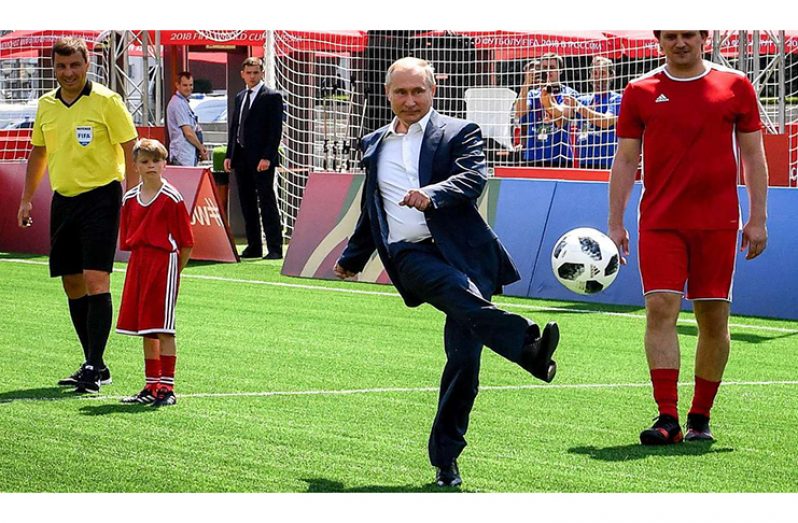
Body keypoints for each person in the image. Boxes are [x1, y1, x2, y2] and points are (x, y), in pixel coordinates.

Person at [333, 57, 561, 487]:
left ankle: (446, 460)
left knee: (463, 363)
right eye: (401, 92)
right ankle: (525, 343)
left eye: (418, 91)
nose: (410, 100)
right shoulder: (373, 143)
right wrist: (353, 257)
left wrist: (431, 194)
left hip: (466, 253)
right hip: (408, 254)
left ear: (432, 91)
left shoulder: (459, 132)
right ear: (388, 95)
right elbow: (372, 209)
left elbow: (472, 178)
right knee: (453, 288)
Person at [608, 30, 769, 445]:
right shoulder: (639, 90)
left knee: (713, 319)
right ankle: (667, 417)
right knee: (660, 308)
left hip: (717, 224)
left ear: (703, 38)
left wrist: (758, 218)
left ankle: (700, 416)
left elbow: (753, 154)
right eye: (671, 36)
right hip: (660, 222)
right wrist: (616, 222)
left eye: (688, 35)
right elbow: (626, 158)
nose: (680, 43)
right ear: (660, 40)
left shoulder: (735, 85)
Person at [17, 37, 138, 394]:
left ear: (87, 65)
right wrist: (26, 199)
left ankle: (92, 364)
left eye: (74, 65)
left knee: (96, 279)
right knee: (71, 283)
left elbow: (131, 147)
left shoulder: (107, 101)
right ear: (53, 69)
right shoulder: (46, 105)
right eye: (61, 66)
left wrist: (131, 197)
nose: (68, 73)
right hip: (64, 200)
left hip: (102, 196)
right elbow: (38, 153)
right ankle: (95, 364)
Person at [116, 139, 194, 407]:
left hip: (164, 263)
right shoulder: (129, 199)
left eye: (156, 161)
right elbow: (127, 237)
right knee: (146, 328)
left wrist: (173, 270)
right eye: (145, 162)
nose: (151, 166)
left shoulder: (172, 198)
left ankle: (168, 388)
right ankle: (151, 384)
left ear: (164, 163)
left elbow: (186, 242)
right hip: (139, 264)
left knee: (164, 328)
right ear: (135, 166)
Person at [224, 57, 284, 259]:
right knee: (246, 202)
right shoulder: (240, 96)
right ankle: (254, 245)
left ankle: (275, 247)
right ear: (242, 74)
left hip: (261, 160)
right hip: (241, 157)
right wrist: (229, 154)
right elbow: (235, 127)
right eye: (248, 72)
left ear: (262, 73)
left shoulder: (272, 96)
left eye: (255, 72)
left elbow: (275, 130)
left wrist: (268, 156)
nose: (252, 76)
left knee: (267, 201)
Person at [515, 52, 579, 168]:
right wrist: (526, 83)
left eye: (552, 68)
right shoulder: (532, 94)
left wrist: (547, 100)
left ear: (560, 71)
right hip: (533, 155)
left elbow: (562, 119)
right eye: (545, 68)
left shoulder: (569, 93)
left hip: (560, 156)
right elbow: (519, 113)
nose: (548, 71)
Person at [571, 56, 622, 169]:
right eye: (595, 73)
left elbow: (605, 121)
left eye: (603, 73)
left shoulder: (616, 99)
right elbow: (559, 114)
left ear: (611, 75)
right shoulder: (582, 100)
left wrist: (579, 108)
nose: (598, 77)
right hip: (584, 160)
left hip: (607, 161)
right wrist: (547, 100)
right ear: (590, 76)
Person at [166, 71, 208, 166]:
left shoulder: (183, 102)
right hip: (182, 155)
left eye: (191, 85)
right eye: (185, 85)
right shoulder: (178, 104)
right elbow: (188, 132)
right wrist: (201, 148)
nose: (189, 88)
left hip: (187, 154)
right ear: (177, 85)